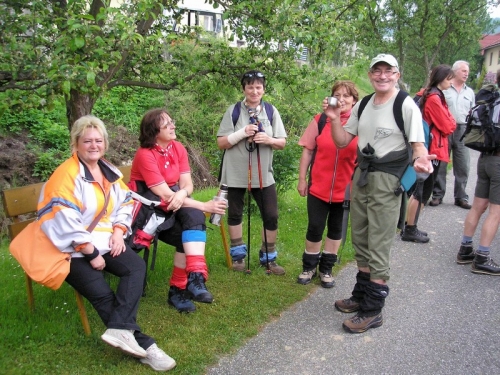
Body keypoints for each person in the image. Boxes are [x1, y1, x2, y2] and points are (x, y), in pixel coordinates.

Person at [37, 115, 176, 371]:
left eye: (98, 140)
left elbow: (125, 201)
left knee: (135, 268)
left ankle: (120, 330)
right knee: (102, 294)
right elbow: (65, 222)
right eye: (87, 141)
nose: (93, 145)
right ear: (76, 143)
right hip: (69, 251)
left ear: (105, 143)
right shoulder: (66, 176)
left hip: (103, 240)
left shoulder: (106, 169)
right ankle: (146, 347)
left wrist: (119, 230)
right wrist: (90, 253)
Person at [324, 54, 435, 333]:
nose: (382, 75)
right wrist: (334, 118)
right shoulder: (363, 104)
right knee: (360, 236)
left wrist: (421, 159)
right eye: (377, 71)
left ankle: (373, 309)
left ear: (397, 75)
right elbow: (342, 141)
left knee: (379, 241)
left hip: (388, 180)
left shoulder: (405, 105)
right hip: (362, 176)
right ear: (370, 74)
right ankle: (361, 295)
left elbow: (418, 144)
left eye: (388, 71)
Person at [128, 108, 227, 313]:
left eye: (172, 122)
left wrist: (182, 195)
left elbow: (187, 185)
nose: (173, 126)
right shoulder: (145, 155)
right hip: (149, 213)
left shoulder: (178, 147)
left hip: (173, 203)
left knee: (193, 221)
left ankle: (194, 279)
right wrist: (204, 205)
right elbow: (163, 195)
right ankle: (179, 289)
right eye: (166, 124)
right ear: (153, 131)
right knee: (193, 223)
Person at [217, 70, 287, 275]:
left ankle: (269, 259)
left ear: (264, 89)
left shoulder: (271, 112)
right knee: (235, 213)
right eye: (250, 87)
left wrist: (269, 140)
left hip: (263, 174)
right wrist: (241, 133)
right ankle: (238, 257)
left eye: (258, 87)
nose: (254, 91)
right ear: (244, 89)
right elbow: (221, 143)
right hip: (235, 173)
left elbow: (282, 143)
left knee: (271, 215)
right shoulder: (233, 111)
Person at [296, 80, 359, 287]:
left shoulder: (359, 124)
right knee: (315, 227)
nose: (342, 99)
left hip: (346, 190)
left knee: (335, 230)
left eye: (347, 96)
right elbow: (307, 150)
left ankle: (326, 270)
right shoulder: (320, 120)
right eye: (337, 95)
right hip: (318, 187)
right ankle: (309, 267)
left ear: (354, 100)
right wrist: (302, 179)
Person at [401, 65, 457, 243]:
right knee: (421, 191)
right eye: (449, 78)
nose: (451, 82)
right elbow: (448, 126)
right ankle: (409, 228)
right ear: (441, 79)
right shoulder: (433, 98)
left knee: (424, 190)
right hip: (430, 150)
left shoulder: (434, 95)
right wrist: (451, 121)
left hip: (433, 148)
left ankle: (411, 225)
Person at [456, 68, 500, 275]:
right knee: (495, 212)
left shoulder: (493, 100)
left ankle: (465, 249)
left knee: (478, 206)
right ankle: (482, 257)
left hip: (485, 159)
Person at [429, 60, 475, 209]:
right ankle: (437, 195)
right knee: (441, 163)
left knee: (463, 165)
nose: (466, 74)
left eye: (467, 71)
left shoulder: (469, 92)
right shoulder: (444, 89)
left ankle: (461, 197)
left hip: (463, 129)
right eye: (463, 71)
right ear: (455, 72)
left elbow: (473, 112)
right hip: (444, 129)